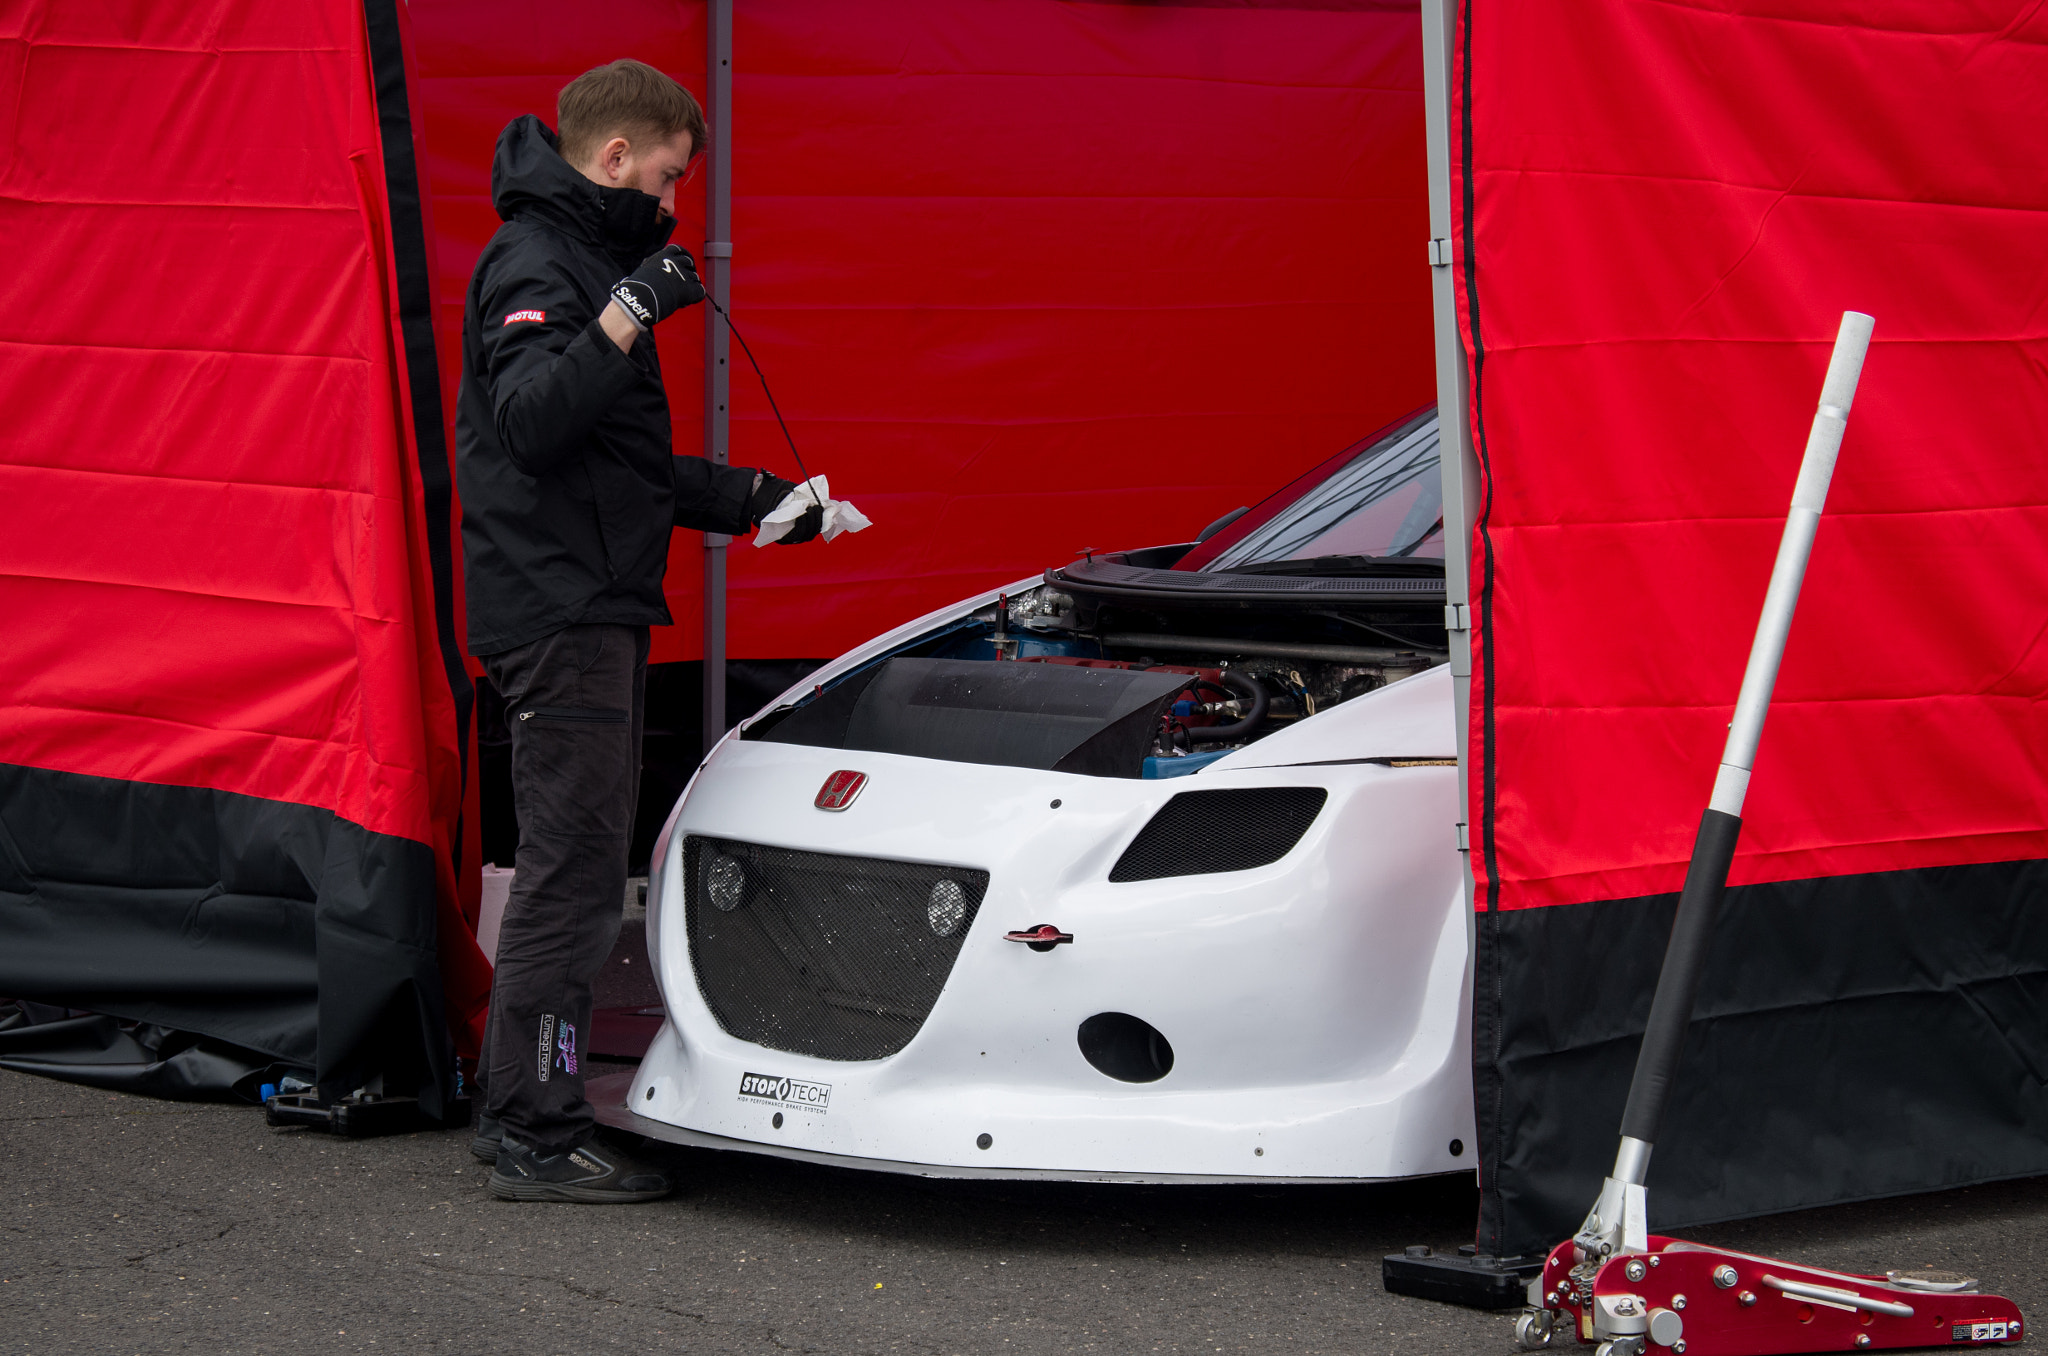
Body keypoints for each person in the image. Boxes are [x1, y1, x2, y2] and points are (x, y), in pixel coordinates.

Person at [455, 59, 824, 1203]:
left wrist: (755, 499)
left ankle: (529, 1109)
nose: (671, 211)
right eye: (666, 181)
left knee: (579, 864)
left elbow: (614, 464)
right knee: (571, 875)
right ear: (615, 159)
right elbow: (528, 423)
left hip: (587, 602)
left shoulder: (580, 263)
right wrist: (625, 312)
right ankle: (532, 1123)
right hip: (558, 612)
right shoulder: (537, 262)